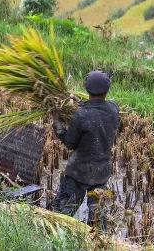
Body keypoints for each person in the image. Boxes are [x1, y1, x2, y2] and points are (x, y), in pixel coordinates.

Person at [52, 70, 120, 226]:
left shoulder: (81, 115)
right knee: (98, 222)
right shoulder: (114, 109)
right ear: (107, 90)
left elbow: (70, 143)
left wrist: (57, 122)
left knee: (62, 216)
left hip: (78, 173)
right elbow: (97, 110)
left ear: (86, 88)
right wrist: (81, 104)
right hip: (101, 174)